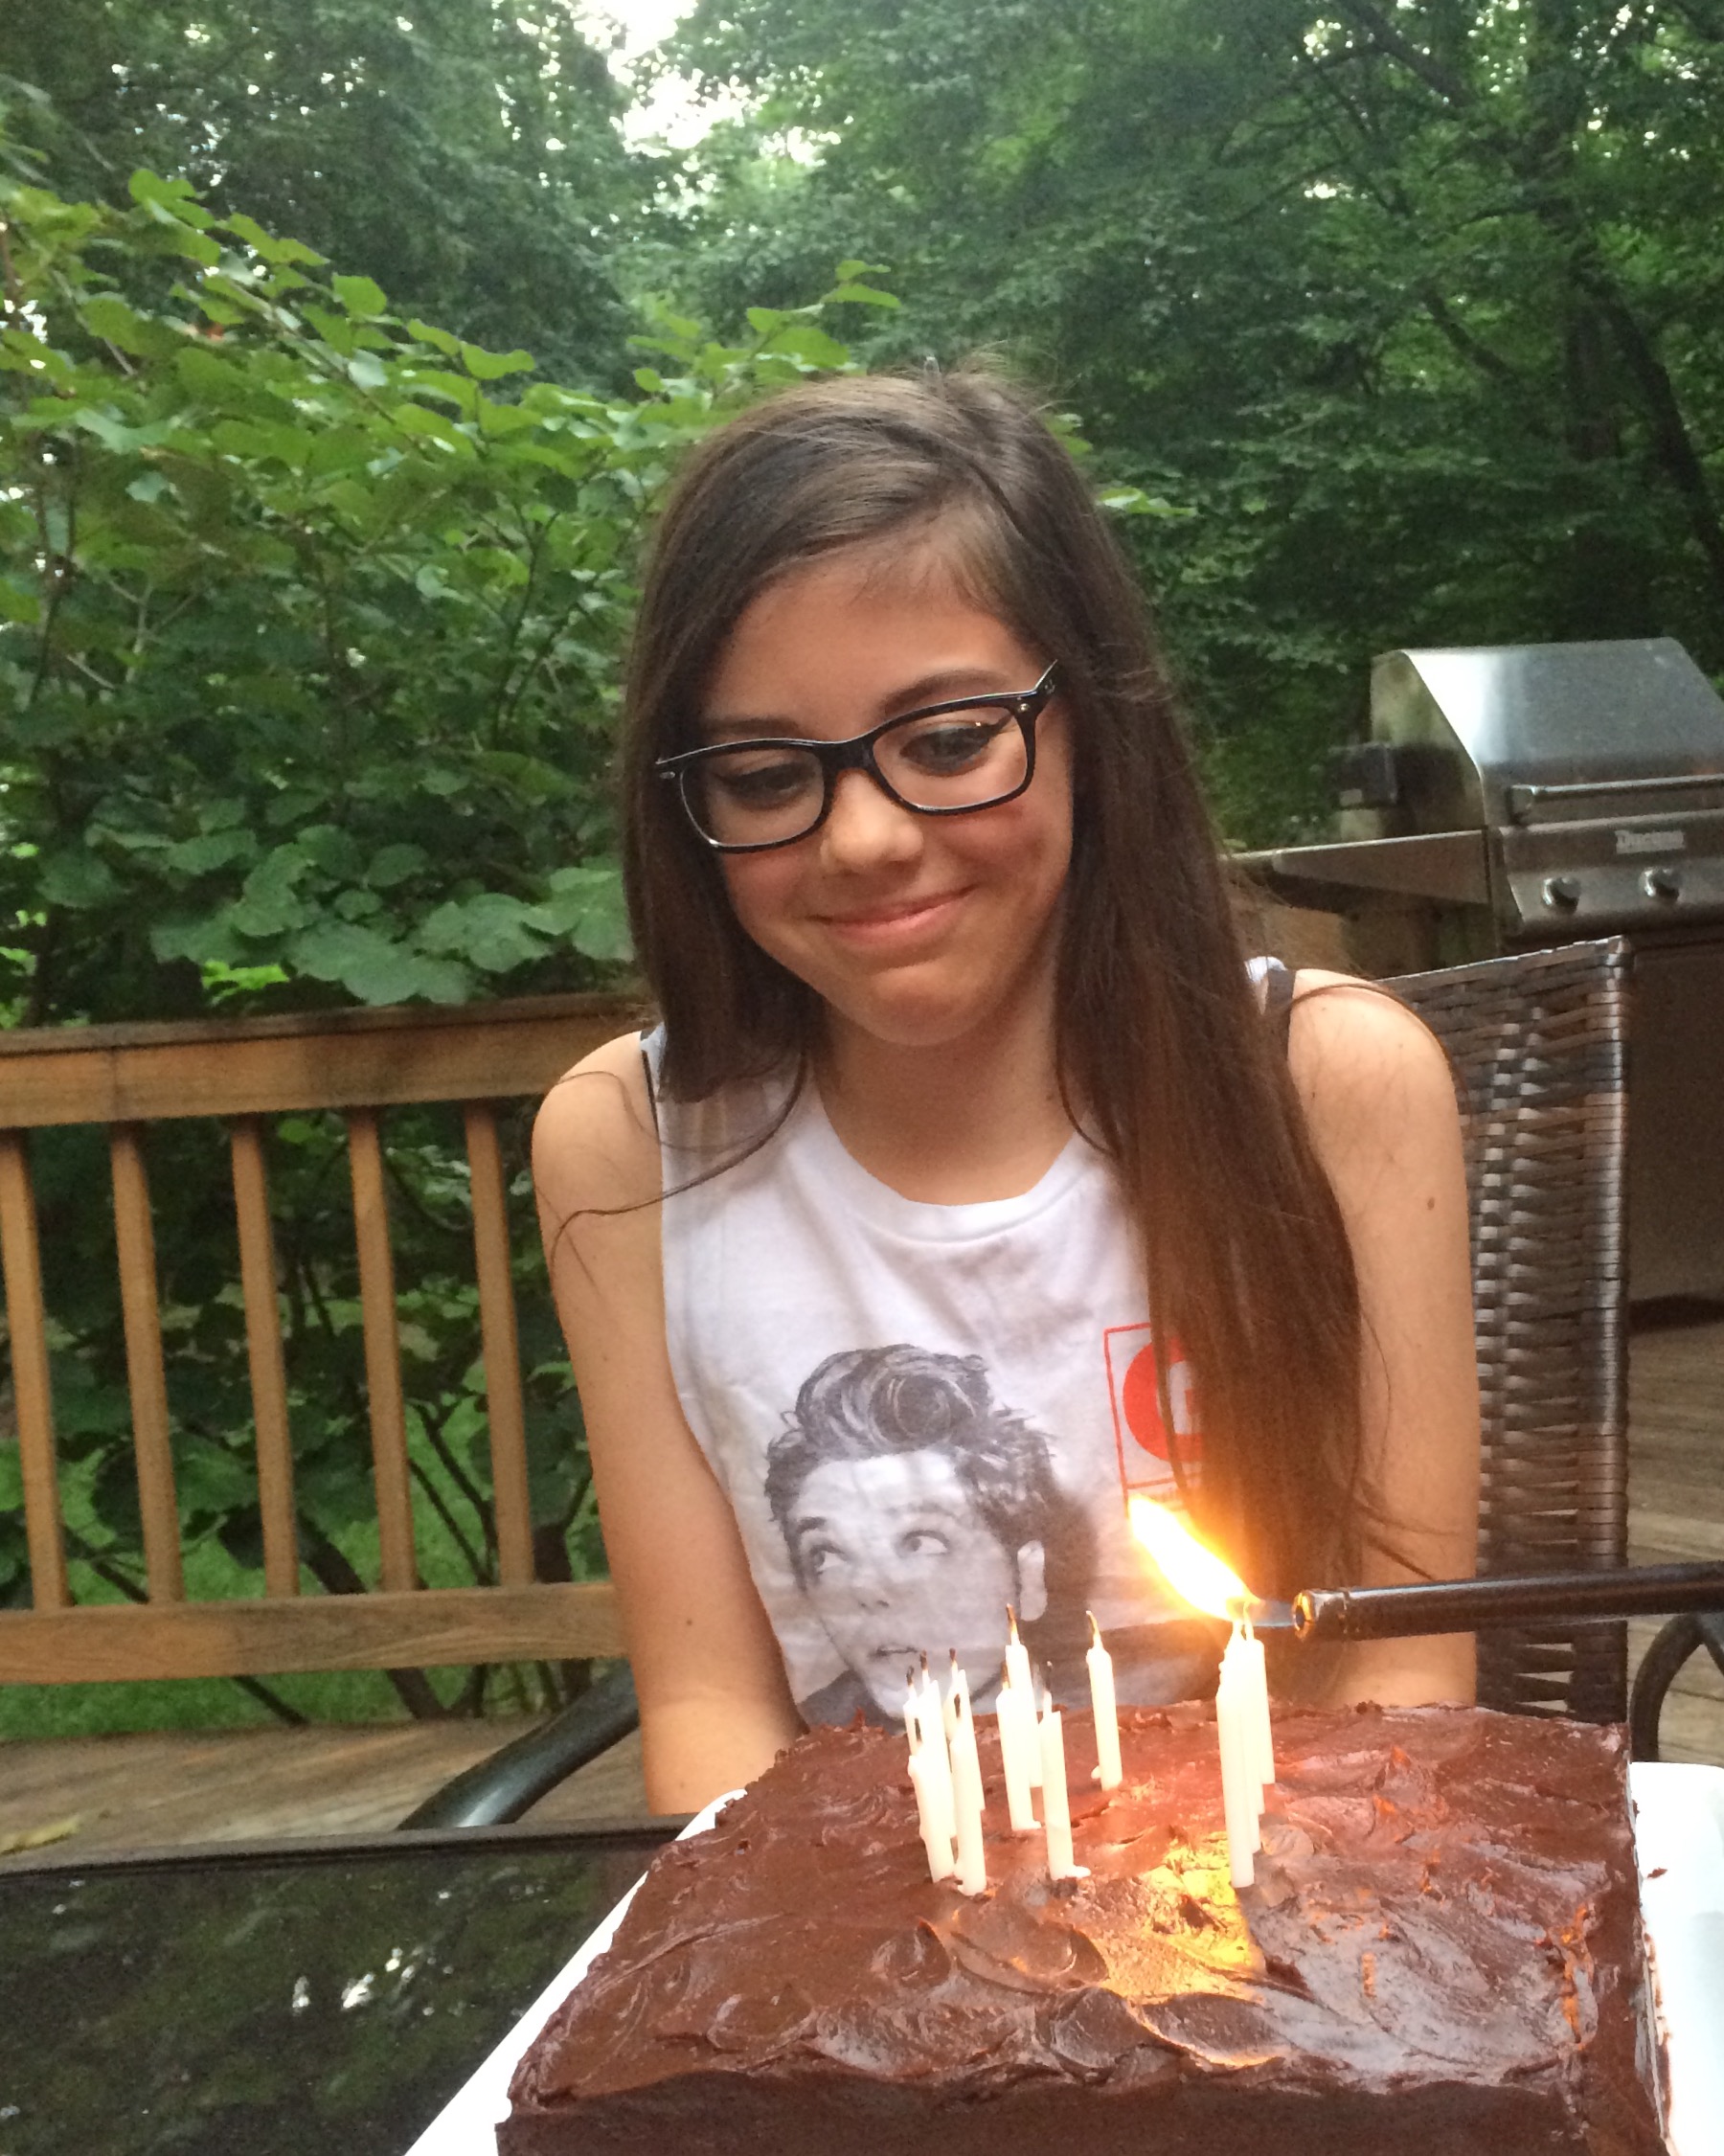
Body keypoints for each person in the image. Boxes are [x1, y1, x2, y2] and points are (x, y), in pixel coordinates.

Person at [533, 370, 1480, 1816]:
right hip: (854, 1920)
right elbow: (711, 1703)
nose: (862, 837)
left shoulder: (1331, 1084)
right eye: (766, 773)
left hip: (1290, 1905)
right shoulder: (628, 1144)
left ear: (1090, 719)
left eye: (949, 741)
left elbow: (1400, 1668)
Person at [763, 1343, 1099, 1725]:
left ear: (1029, 1577)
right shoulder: (810, 1744)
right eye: (826, 1555)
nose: (867, 1589)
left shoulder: (1126, 1718)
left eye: (920, 1542)